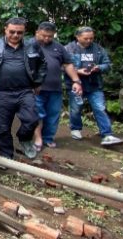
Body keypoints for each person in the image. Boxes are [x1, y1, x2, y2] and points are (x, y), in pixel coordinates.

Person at [0, 17, 47, 159]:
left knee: (32, 119)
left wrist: (38, 82)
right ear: (5, 30)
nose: (15, 35)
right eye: (12, 32)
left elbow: (42, 63)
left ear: (24, 32)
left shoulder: (32, 46)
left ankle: (24, 138)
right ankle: (6, 156)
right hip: (2, 92)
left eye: (19, 33)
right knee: (2, 127)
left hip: (25, 91)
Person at [64, 27, 123, 146]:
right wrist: (77, 71)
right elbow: (62, 66)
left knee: (100, 108)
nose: (89, 40)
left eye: (91, 38)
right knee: (76, 109)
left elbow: (107, 64)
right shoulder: (68, 49)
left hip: (95, 85)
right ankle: (75, 128)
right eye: (86, 38)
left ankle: (107, 134)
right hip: (76, 85)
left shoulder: (98, 49)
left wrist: (98, 68)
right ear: (78, 36)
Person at [32, 22, 82, 150]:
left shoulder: (58, 47)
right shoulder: (28, 45)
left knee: (53, 115)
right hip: (35, 88)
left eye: (50, 36)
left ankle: (48, 138)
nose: (47, 39)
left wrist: (76, 81)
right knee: (37, 114)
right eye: (44, 36)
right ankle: (38, 138)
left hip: (55, 89)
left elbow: (68, 64)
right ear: (37, 32)